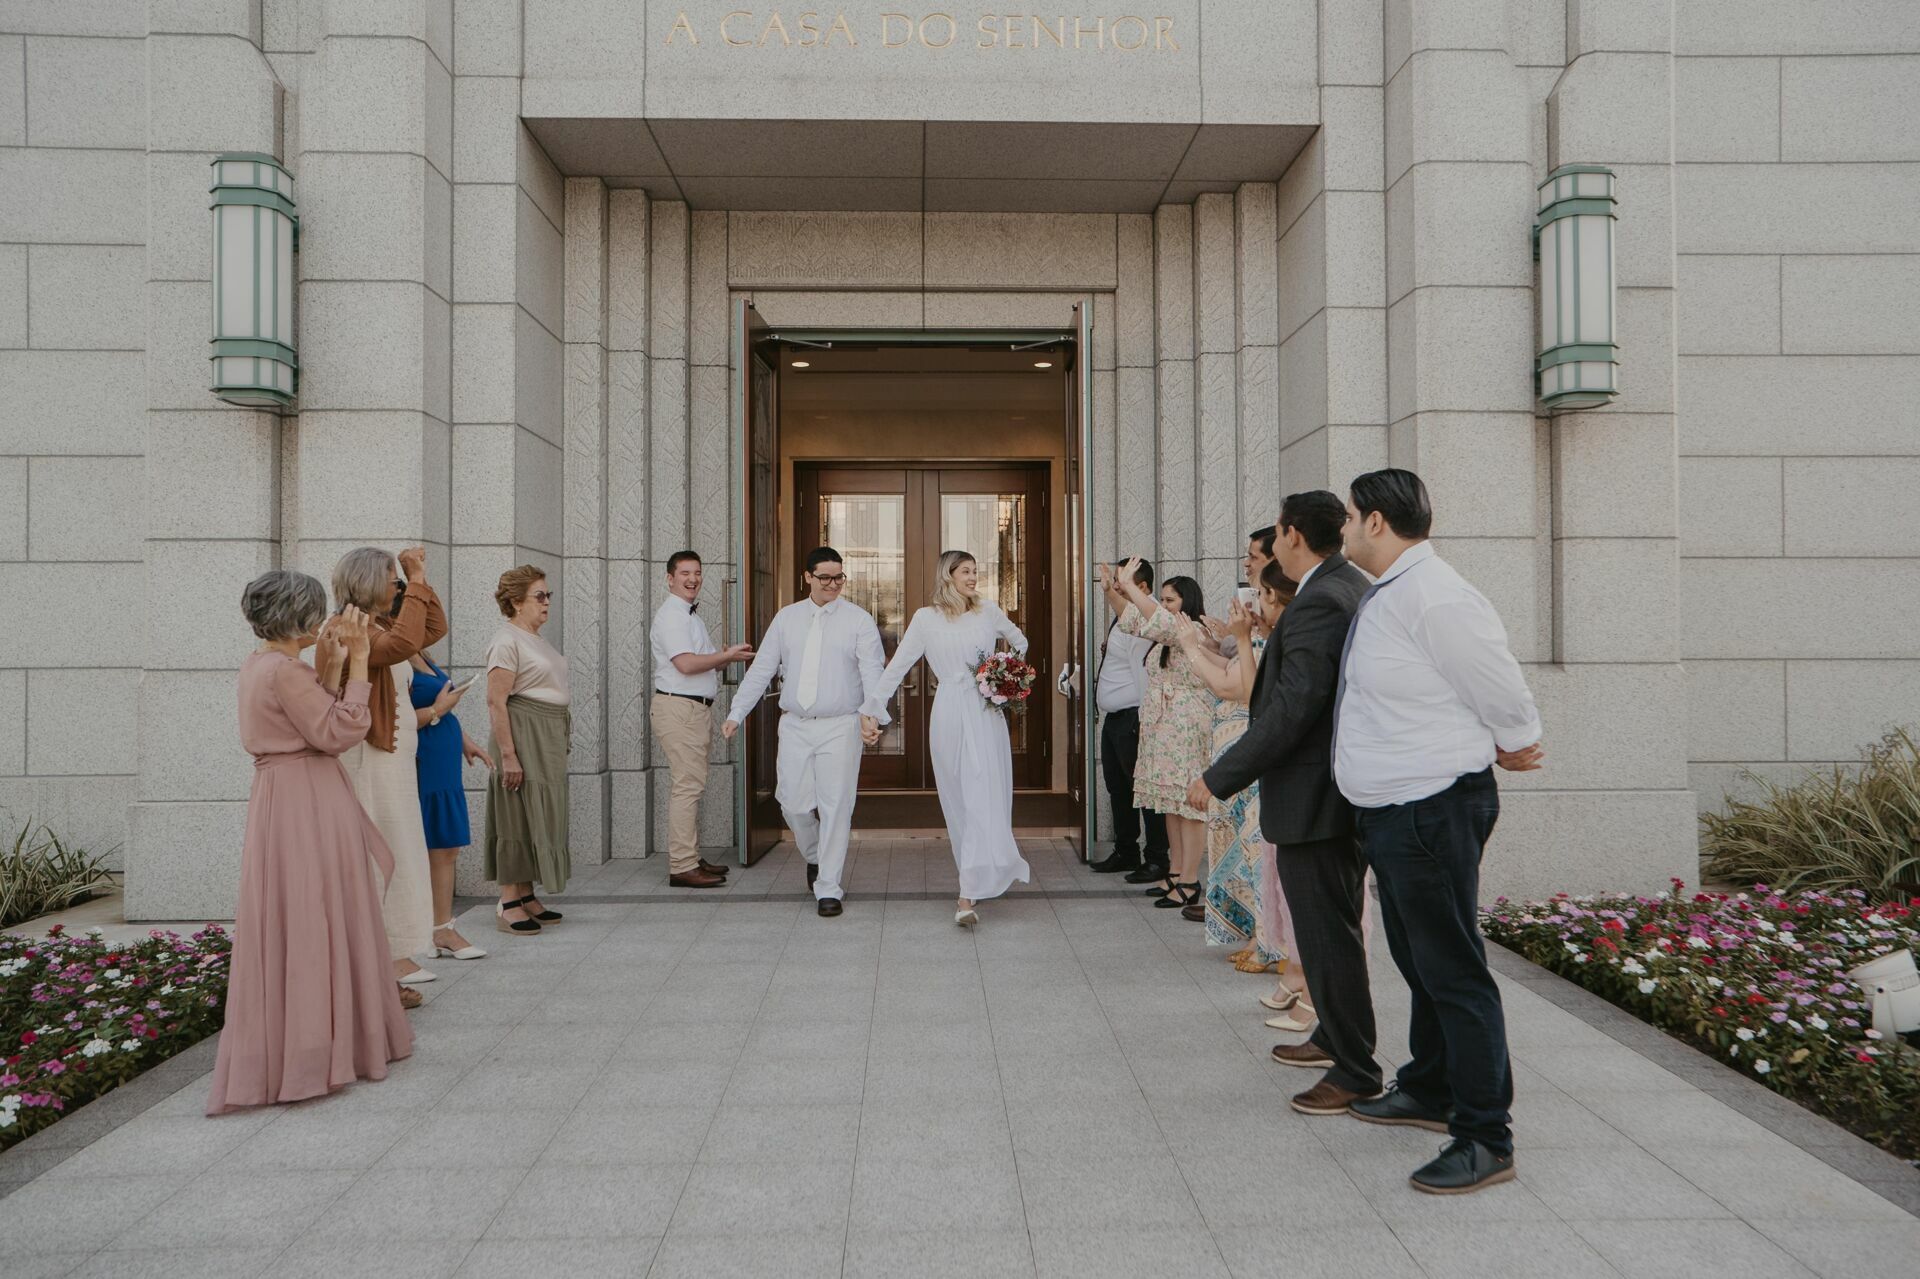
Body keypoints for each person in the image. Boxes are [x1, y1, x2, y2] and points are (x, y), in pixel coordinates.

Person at [1332, 469, 1543, 1194]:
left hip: (1432, 808)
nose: (1344, 528)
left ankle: (1485, 1134)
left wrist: (1518, 738)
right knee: (1420, 961)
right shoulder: (1396, 589)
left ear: (1378, 522)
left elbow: (1497, 679)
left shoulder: (1436, 593)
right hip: (1397, 811)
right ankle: (1430, 1085)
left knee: (1452, 970)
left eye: (1351, 516)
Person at [1187, 490, 1375, 1120]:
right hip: (1323, 792)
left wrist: (1219, 777)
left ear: (1292, 535)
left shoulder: (1322, 599)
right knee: (1326, 932)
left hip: (1316, 796)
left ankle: (1355, 1069)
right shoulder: (1340, 586)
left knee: (1326, 933)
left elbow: (1293, 709)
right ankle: (1335, 1037)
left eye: (1275, 533)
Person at [208, 573, 411, 1114]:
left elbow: (308, 716)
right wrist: (361, 663)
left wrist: (334, 667)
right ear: (300, 617)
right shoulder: (286, 671)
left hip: (279, 798)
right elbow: (337, 731)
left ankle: (304, 1045)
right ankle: (327, 1049)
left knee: (295, 914)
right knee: (322, 911)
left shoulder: (258, 665)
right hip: (309, 798)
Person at [862, 550, 1031, 925]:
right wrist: (871, 708)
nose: (973, 577)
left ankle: (966, 894)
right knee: (959, 798)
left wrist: (1002, 675)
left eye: (975, 571)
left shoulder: (988, 611)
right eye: (966, 571)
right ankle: (975, 875)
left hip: (985, 711)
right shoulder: (925, 619)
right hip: (949, 712)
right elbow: (898, 666)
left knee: (982, 794)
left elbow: (1020, 643)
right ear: (948, 576)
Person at [722, 546, 886, 917]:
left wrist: (871, 715)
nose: (833, 584)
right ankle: (814, 856)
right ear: (807, 577)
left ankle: (828, 887)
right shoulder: (787, 618)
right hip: (795, 724)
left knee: (836, 807)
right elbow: (762, 669)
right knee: (792, 804)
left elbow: (872, 672)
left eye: (839, 577)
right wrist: (737, 712)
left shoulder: (858, 620)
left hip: (841, 725)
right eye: (825, 577)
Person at [330, 546, 444, 999]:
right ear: (367, 583)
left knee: (398, 862)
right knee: (377, 867)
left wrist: (420, 583)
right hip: (367, 765)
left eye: (400, 580)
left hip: (391, 766)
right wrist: (415, 582)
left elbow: (432, 629)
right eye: (392, 579)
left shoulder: (377, 626)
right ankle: (373, 979)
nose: (397, 586)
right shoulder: (347, 630)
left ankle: (384, 971)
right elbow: (401, 645)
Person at [1177, 561, 1295, 972]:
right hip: (1235, 749)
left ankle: (1275, 944)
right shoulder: (1259, 638)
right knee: (1243, 850)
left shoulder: (1271, 641)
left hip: (1252, 751)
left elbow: (1238, 687)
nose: (1252, 602)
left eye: (1259, 594)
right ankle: (1260, 936)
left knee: (1259, 850)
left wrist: (1195, 646)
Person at [1111, 561, 1217, 911]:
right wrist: (1112, 590)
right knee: (1170, 803)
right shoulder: (1166, 634)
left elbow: (1158, 619)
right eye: (1164, 600)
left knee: (1189, 805)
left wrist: (1130, 585)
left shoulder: (1194, 630)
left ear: (1188, 602)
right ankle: (1175, 871)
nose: (1165, 605)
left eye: (1170, 600)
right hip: (1164, 725)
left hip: (1186, 724)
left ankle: (1190, 879)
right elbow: (1133, 619)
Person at [649, 550, 753, 888]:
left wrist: (728, 657)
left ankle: (690, 857)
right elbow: (686, 665)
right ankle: (682, 865)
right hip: (680, 709)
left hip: (691, 709)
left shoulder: (689, 616)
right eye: (685, 573)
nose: (692, 579)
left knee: (691, 785)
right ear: (670, 579)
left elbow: (703, 663)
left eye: (697, 573)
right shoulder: (673, 616)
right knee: (687, 787)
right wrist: (725, 655)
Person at [484, 565, 573, 933]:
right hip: (523, 733)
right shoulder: (506, 640)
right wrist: (508, 754)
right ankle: (508, 902)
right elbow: (496, 701)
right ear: (517, 602)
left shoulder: (536, 639)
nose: (546, 602)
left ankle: (525, 894)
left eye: (548, 595)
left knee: (537, 810)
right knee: (515, 811)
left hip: (545, 734)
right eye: (539, 596)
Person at [407, 651, 493, 960]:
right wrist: (437, 710)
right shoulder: (393, 656)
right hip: (425, 759)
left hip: (444, 758)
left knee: (446, 846)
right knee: (437, 845)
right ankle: (437, 929)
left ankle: (439, 929)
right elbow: (394, 718)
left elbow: (442, 710)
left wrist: (464, 740)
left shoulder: (421, 653)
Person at [1089, 557, 1170, 879]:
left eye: (1124, 582)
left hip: (1135, 717)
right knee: (1118, 788)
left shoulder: (1150, 615)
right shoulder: (1127, 615)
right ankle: (1126, 851)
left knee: (1144, 790)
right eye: (1117, 581)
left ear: (1144, 587)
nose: (1118, 587)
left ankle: (1156, 858)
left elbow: (1130, 618)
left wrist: (1110, 592)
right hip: (1115, 719)